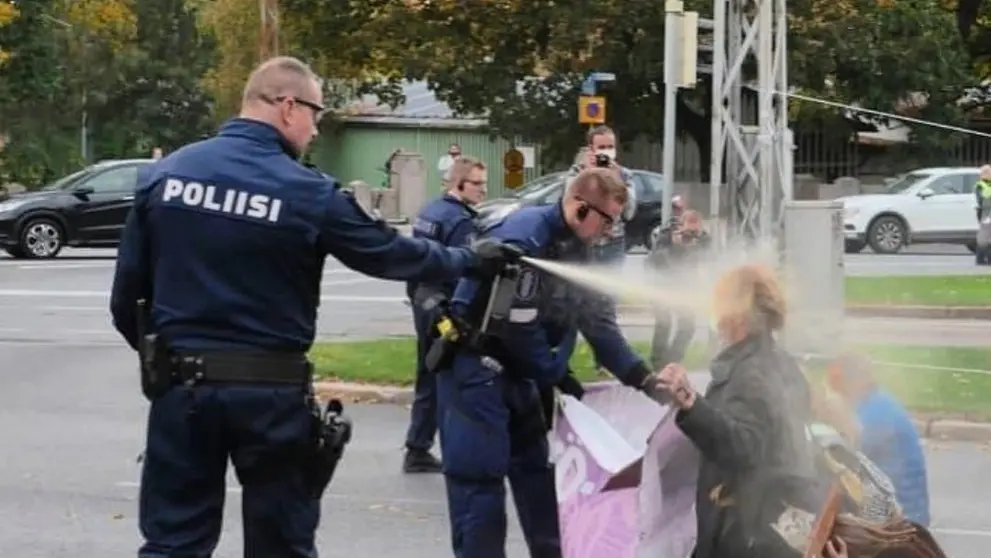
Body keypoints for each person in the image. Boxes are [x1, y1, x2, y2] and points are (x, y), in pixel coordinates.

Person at [109, 56, 518, 558]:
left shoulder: (166, 176)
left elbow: (125, 298)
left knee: (173, 543)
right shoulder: (305, 190)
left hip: (181, 389)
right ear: (287, 107)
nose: (316, 128)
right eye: (315, 114)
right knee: (282, 543)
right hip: (270, 397)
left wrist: (164, 360)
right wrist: (468, 262)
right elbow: (390, 254)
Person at [436, 167, 666, 558]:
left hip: (520, 376)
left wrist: (643, 378)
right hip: (477, 374)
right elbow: (519, 330)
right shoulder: (526, 238)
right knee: (481, 490)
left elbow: (598, 324)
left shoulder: (578, 250)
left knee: (538, 484)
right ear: (579, 207)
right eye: (607, 219)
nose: (611, 230)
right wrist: (558, 374)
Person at [650, 263, 825, 558]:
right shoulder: (779, 362)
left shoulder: (751, 375)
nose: (716, 321)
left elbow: (742, 446)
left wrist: (690, 402)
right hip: (770, 524)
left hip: (745, 531)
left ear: (737, 316)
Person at [403, 156, 488, 473]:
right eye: (477, 183)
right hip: (444, 308)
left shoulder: (430, 211)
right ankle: (428, 447)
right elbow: (464, 269)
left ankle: (418, 445)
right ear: (459, 183)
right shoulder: (460, 221)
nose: (483, 189)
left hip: (422, 300)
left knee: (428, 371)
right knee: (448, 377)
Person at [826, 354, 931, 527]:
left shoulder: (874, 418)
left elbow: (847, 460)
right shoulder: (877, 402)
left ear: (854, 382)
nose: (837, 392)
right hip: (906, 513)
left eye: (838, 385)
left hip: (901, 522)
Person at [647, 208, 710, 370]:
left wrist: (696, 247)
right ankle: (657, 362)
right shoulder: (666, 235)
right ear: (681, 226)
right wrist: (676, 246)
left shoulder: (704, 239)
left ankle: (673, 361)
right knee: (664, 322)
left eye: (695, 232)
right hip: (660, 284)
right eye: (689, 232)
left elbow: (710, 258)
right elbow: (655, 261)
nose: (691, 237)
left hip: (685, 285)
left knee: (688, 325)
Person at [566, 126, 636, 267]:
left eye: (610, 147)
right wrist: (587, 174)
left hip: (613, 243)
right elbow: (568, 201)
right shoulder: (577, 171)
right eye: (602, 147)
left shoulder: (624, 174)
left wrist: (617, 181)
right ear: (591, 149)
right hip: (584, 242)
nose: (606, 151)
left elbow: (630, 212)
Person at [975, 165, 991, 265]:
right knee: (985, 236)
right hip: (987, 212)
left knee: (985, 236)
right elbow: (983, 200)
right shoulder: (982, 185)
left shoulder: (981, 185)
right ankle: (983, 259)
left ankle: (982, 258)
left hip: (985, 212)